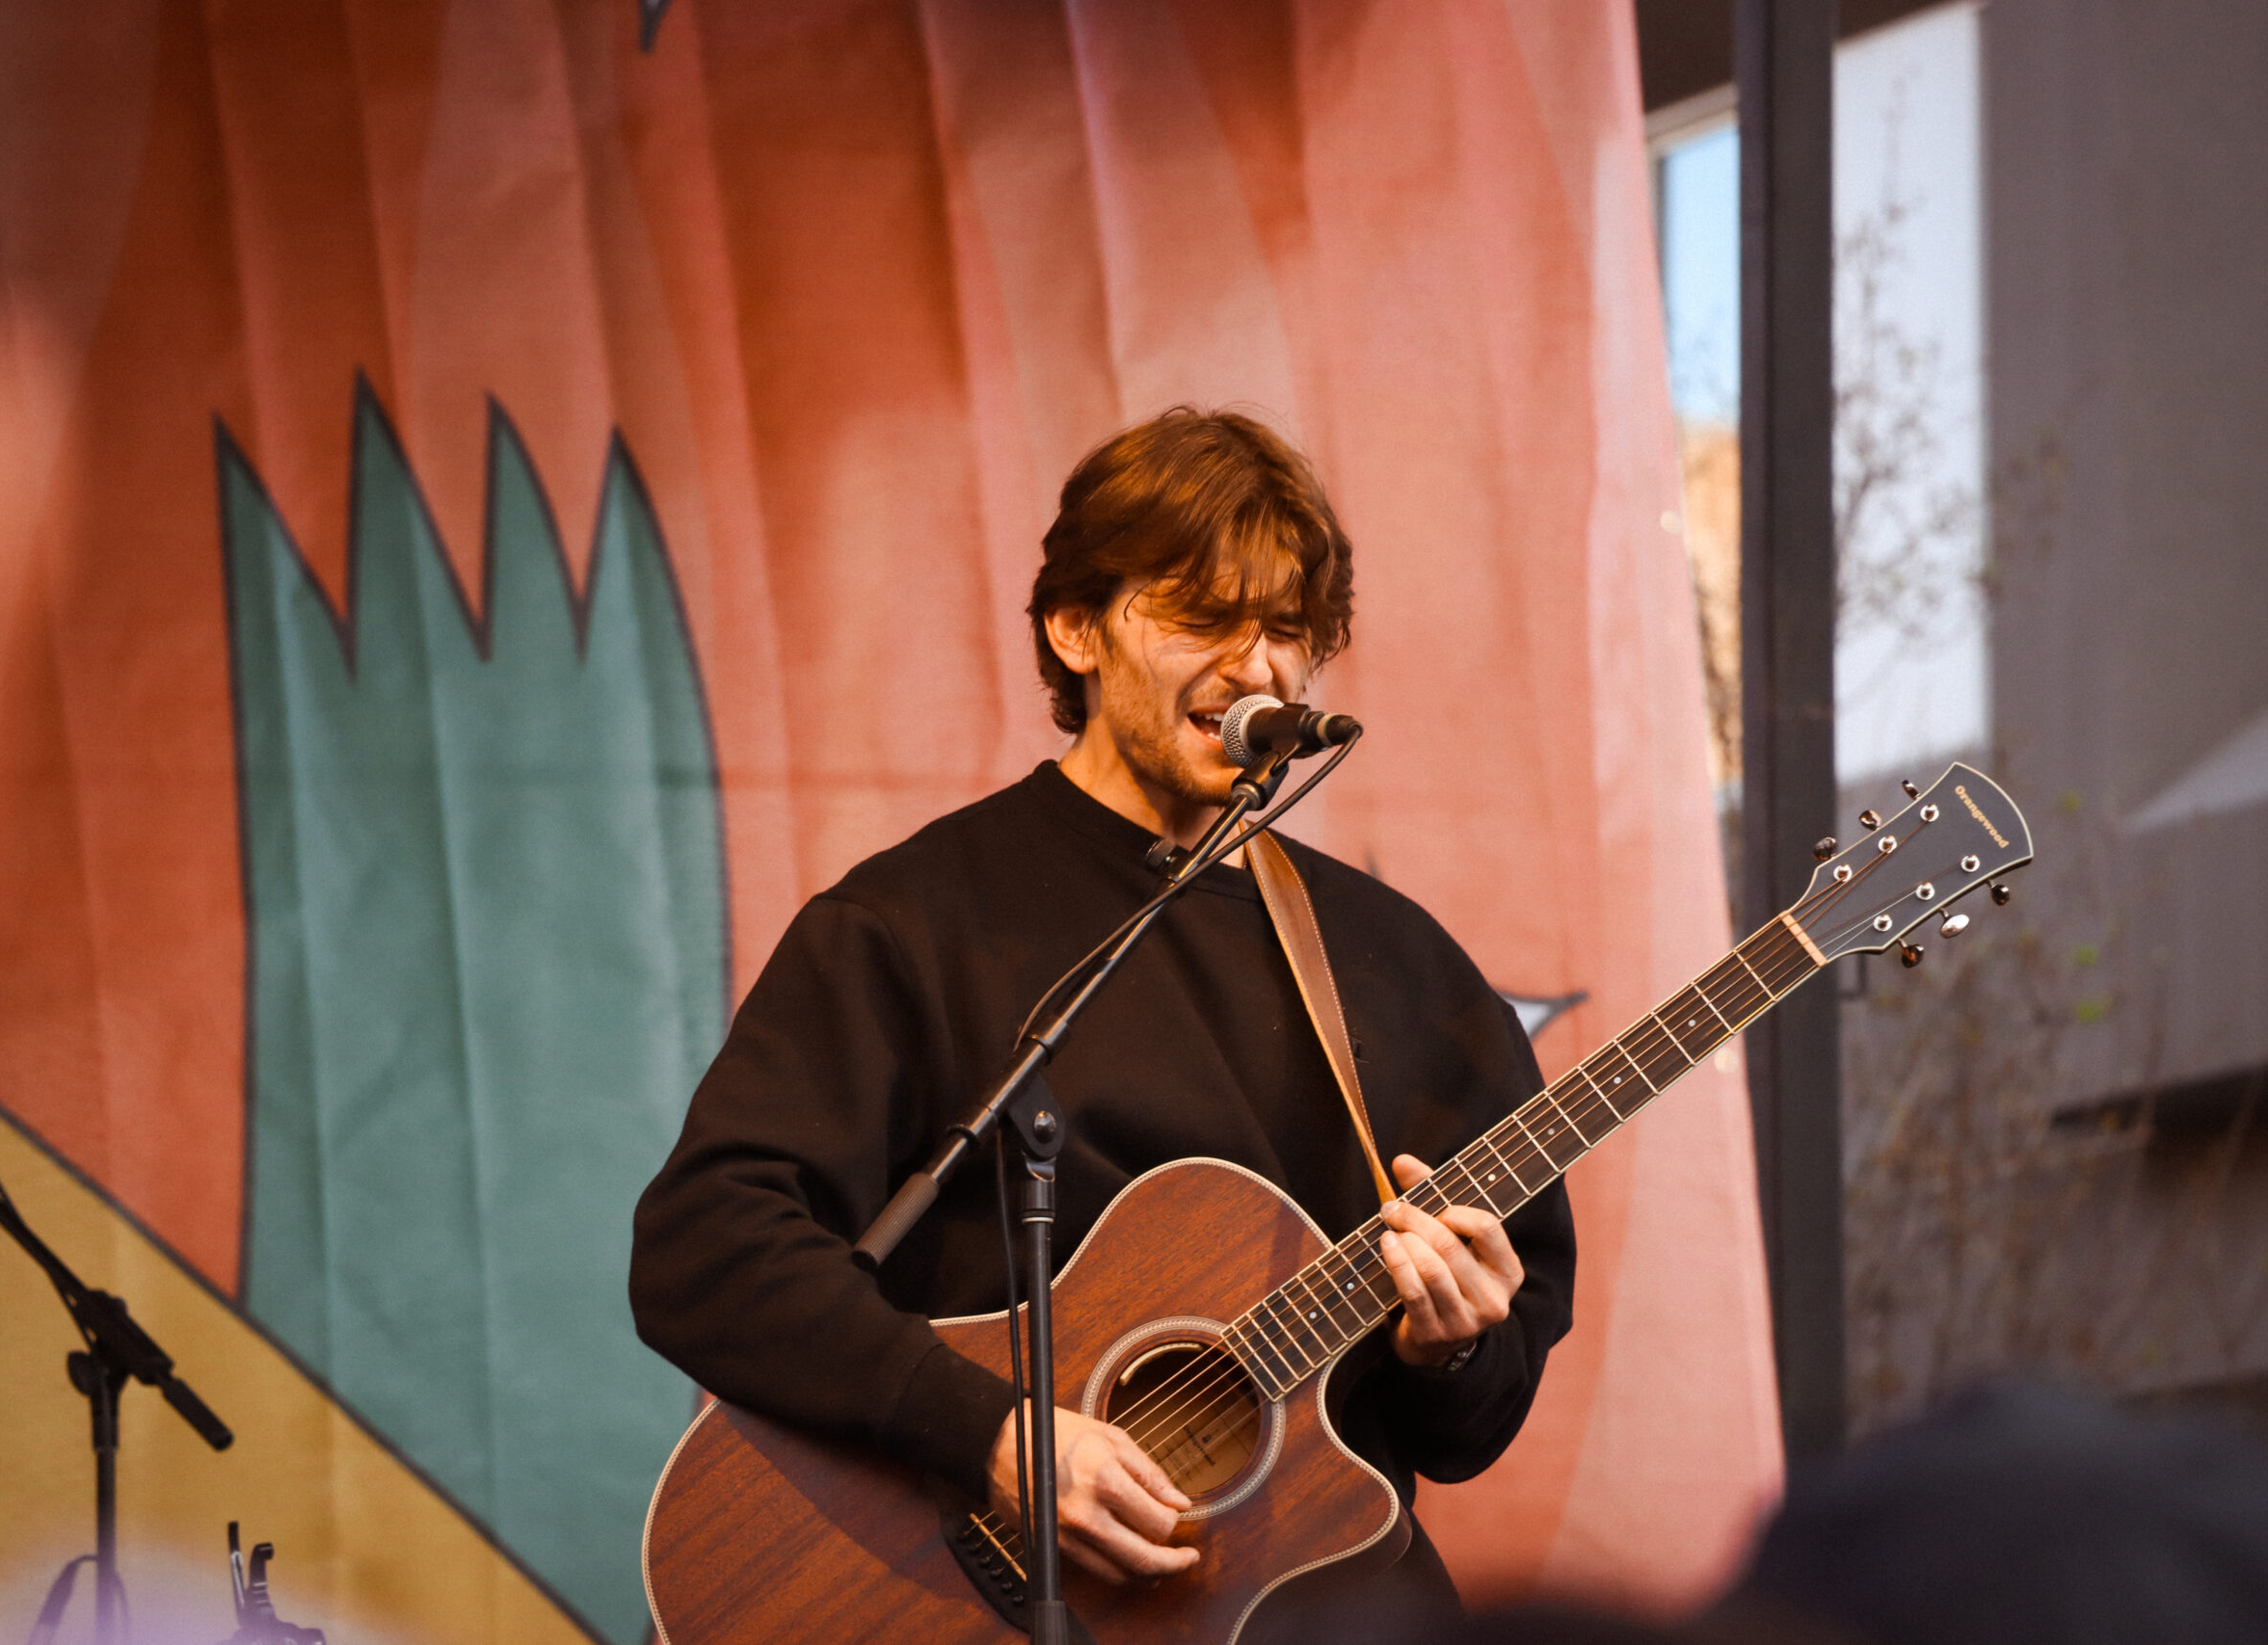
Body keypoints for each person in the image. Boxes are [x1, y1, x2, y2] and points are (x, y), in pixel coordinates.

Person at [630, 408, 1575, 1631]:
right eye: (1202, 618)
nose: (1257, 669)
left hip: (1292, 1601)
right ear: (1075, 630)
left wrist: (1447, 1347)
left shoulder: (1402, 974)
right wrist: (991, 1433)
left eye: (1287, 632)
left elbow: (1465, 1433)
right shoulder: (912, 923)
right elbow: (705, 1249)